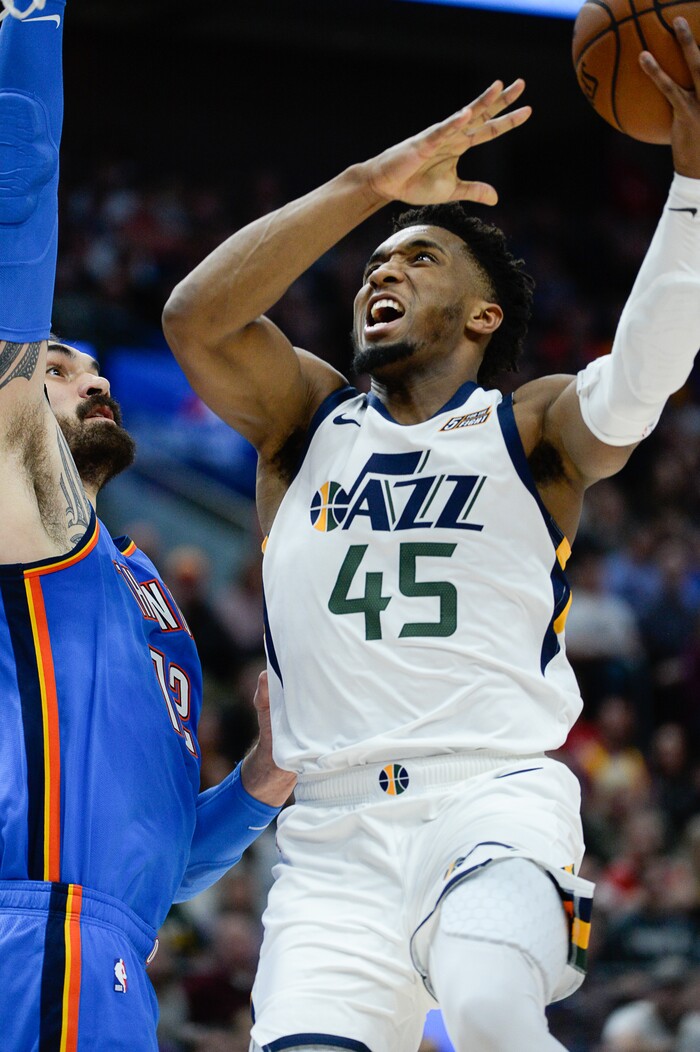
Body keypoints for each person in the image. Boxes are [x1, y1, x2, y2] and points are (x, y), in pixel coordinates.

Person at [162, 18, 700, 1052]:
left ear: (483, 314)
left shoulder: (528, 424)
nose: (378, 273)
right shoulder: (301, 422)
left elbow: (640, 378)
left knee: (492, 1005)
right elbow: (196, 319)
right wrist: (373, 185)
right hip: (328, 846)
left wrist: (690, 190)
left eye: (414, 255)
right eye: (372, 264)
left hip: (488, 798)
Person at [0, 3, 295, 1049]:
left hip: (104, 942)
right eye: (59, 366)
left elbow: (159, 864)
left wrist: (260, 779)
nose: (90, 376)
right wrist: (31, 30)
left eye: (94, 364)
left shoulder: (137, 580)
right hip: (29, 932)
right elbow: (16, 219)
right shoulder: (34, 530)